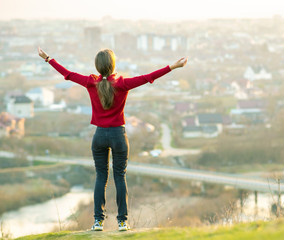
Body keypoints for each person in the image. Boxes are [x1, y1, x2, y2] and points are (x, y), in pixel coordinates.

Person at [38, 47, 187, 231]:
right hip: (118, 135)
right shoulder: (123, 83)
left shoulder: (90, 82)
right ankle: (122, 222)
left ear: (97, 66)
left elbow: (67, 74)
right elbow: (149, 77)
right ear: (113, 65)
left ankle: (98, 222)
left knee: (101, 177)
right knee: (120, 177)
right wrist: (172, 66)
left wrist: (48, 58)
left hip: (99, 136)